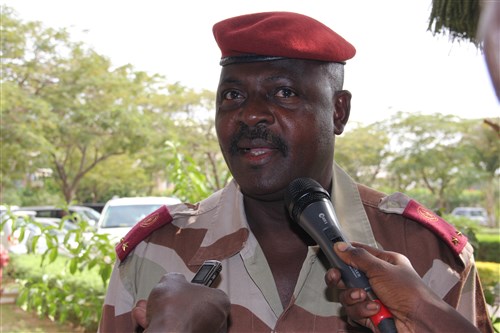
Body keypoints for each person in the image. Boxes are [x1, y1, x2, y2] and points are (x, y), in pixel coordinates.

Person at [99, 12, 494, 332]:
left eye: (284, 92)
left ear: (338, 112)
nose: (250, 113)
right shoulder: (153, 254)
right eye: (232, 95)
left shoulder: (430, 255)